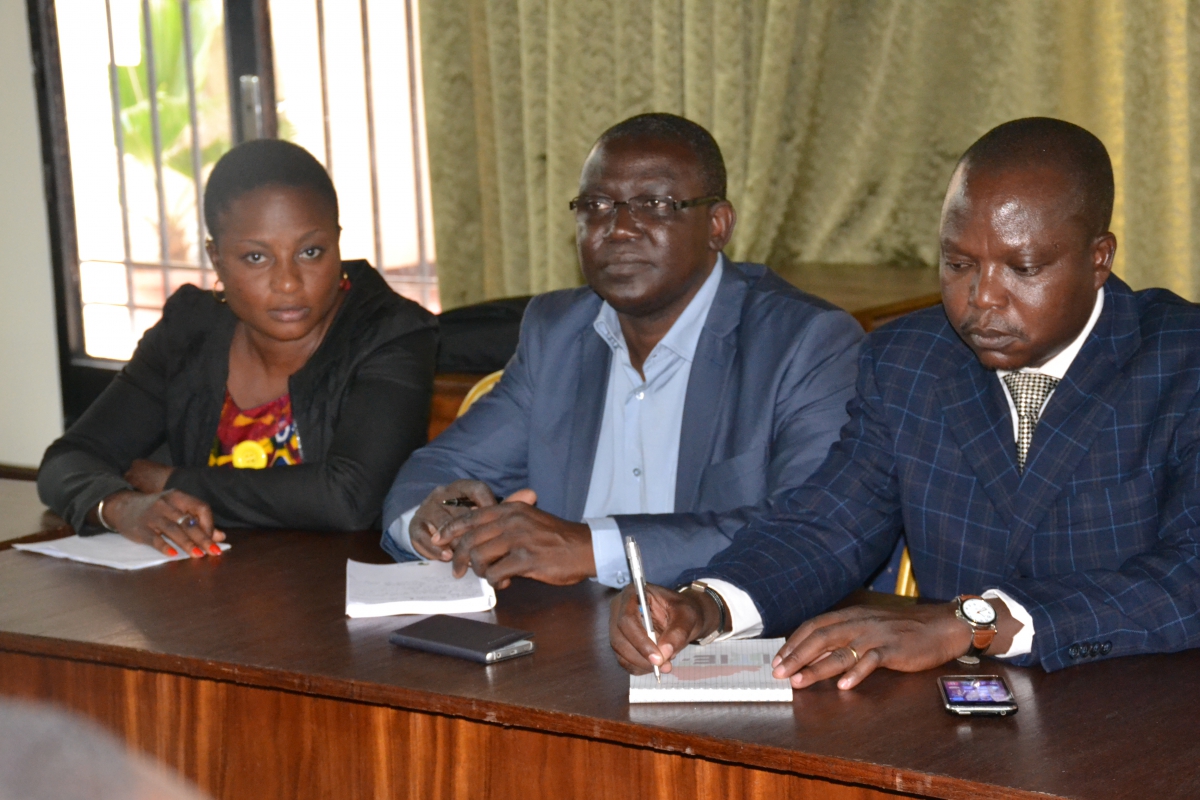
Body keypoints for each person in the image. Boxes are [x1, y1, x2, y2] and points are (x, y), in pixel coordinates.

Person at [611, 117, 1200, 687]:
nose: (982, 298)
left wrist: (972, 622)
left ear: (1099, 259)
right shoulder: (910, 361)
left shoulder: (1182, 361)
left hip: (1147, 706)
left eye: (1023, 268)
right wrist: (704, 605)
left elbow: (1188, 574)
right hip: (955, 712)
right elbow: (828, 526)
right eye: (958, 264)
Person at [381, 113, 863, 590]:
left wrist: (590, 548)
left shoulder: (805, 343)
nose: (619, 229)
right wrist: (440, 521)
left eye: (654, 204)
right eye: (596, 205)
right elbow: (436, 472)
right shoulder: (558, 332)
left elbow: (807, 531)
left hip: (726, 624)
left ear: (717, 225)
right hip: (563, 624)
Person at [38, 139, 437, 557]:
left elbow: (349, 498)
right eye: (256, 258)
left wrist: (171, 482)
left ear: (337, 243)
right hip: (201, 581)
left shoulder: (391, 334)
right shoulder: (188, 333)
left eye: (310, 252)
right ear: (216, 259)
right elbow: (69, 459)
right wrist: (121, 507)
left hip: (339, 584)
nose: (288, 282)